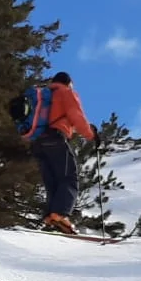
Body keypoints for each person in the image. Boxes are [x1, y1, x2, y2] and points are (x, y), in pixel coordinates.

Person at [29, 71, 95, 235]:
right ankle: (59, 214)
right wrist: (90, 135)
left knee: (52, 180)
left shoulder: (44, 95)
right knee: (68, 177)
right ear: (69, 83)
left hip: (37, 142)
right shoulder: (66, 92)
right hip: (55, 138)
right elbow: (76, 115)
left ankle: (51, 215)